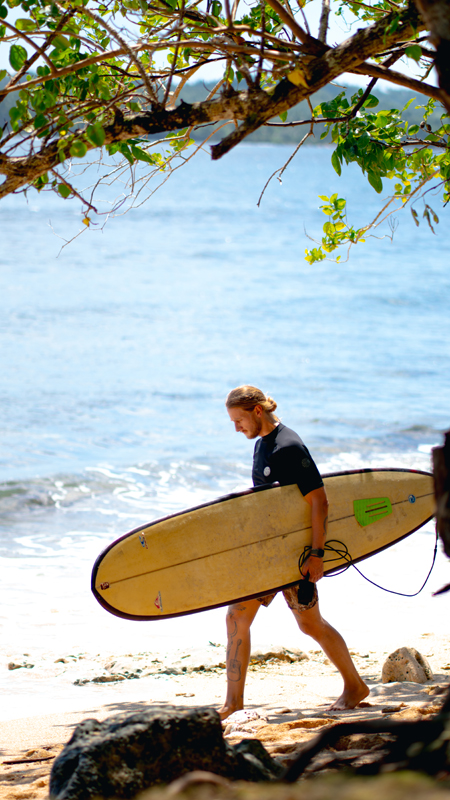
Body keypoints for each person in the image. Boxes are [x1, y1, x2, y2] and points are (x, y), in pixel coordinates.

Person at [219, 385, 369, 720]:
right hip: (270, 555)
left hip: (295, 557)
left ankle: (355, 687)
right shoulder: (262, 445)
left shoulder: (288, 446)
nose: (236, 428)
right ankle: (233, 704)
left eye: (238, 420)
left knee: (309, 625)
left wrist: (317, 554)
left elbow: (319, 500)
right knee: (240, 617)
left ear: (257, 411)